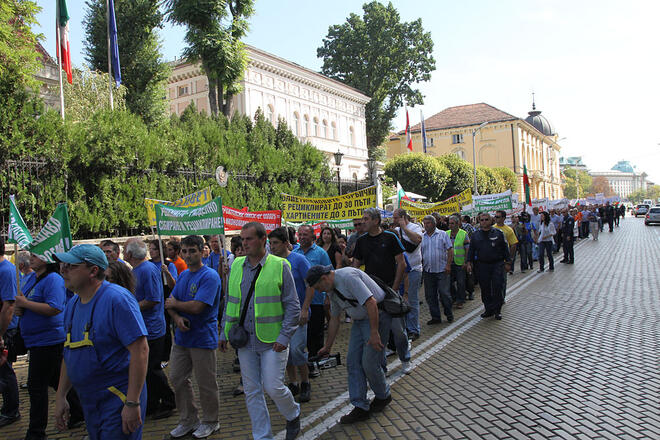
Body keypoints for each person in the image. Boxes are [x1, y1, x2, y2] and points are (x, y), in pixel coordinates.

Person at [53, 244, 149, 440]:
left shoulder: (117, 299)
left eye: (71, 266)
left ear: (93, 271)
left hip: (117, 397)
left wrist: (132, 402)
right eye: (63, 264)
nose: (63, 270)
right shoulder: (72, 304)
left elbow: (141, 350)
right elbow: (70, 353)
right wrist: (61, 396)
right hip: (90, 400)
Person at [219, 222, 301, 440]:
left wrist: (285, 336)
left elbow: (293, 305)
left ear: (263, 239)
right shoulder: (236, 265)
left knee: (273, 387)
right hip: (245, 341)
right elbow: (231, 302)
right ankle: (262, 436)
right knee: (252, 391)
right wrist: (224, 332)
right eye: (242, 239)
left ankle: (293, 413)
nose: (244, 243)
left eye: (249, 239)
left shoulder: (280, 265)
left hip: (273, 340)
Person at [309, 265, 393, 424]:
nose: (319, 291)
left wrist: (375, 332)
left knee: (369, 363)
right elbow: (334, 318)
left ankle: (383, 396)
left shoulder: (347, 277)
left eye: (318, 287)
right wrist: (328, 346)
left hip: (376, 317)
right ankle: (360, 406)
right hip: (360, 321)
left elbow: (371, 303)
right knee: (353, 362)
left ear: (324, 278)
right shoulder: (331, 290)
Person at [14, 254, 84, 439]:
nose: (32, 258)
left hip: (48, 340)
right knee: (56, 379)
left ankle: (36, 432)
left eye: (36, 256)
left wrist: (26, 304)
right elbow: (25, 300)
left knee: (36, 387)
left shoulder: (53, 279)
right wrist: (20, 307)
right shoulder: (31, 277)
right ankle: (78, 411)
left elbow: (55, 307)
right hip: (35, 340)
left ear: (47, 259)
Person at [165, 235, 221, 439]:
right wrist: (177, 318)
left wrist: (175, 307)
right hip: (182, 338)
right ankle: (188, 419)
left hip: (202, 337)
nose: (188, 255)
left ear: (201, 251)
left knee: (206, 382)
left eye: (192, 251)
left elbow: (198, 306)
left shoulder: (210, 276)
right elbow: (170, 302)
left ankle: (211, 421)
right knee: (177, 377)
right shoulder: (183, 276)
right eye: (185, 251)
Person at [123, 239, 175, 420]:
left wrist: (131, 307)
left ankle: (169, 401)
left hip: (152, 328)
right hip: (145, 326)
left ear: (129, 254)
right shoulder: (140, 270)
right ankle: (152, 404)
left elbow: (153, 299)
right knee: (145, 371)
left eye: (124, 250)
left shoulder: (146, 270)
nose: (123, 253)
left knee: (152, 369)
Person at [353, 208, 410, 369]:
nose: (363, 222)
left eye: (366, 219)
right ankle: (381, 367)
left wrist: (395, 287)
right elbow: (355, 266)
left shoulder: (390, 237)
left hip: (391, 291)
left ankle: (405, 358)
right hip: (371, 294)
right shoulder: (361, 241)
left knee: (398, 331)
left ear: (376, 221)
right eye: (362, 219)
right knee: (379, 331)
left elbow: (401, 263)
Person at [268, 227, 314, 403]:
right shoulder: (271, 262)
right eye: (270, 243)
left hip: (297, 314)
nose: (272, 247)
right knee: (284, 350)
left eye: (276, 243)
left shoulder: (299, 260)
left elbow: (310, 284)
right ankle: (292, 382)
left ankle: (305, 382)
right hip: (279, 315)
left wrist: (305, 309)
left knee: (297, 349)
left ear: (286, 243)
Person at [293, 225, 331, 361]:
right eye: (300, 234)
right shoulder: (294, 252)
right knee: (304, 334)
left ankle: (316, 359)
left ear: (312, 236)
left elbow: (329, 275)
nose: (302, 237)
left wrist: (328, 298)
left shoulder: (321, 253)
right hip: (300, 300)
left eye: (305, 235)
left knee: (316, 332)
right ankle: (305, 360)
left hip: (317, 300)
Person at [465, 213, 510, 320]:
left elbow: (505, 249)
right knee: (485, 288)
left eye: (486, 219)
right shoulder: (476, 235)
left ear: (491, 220)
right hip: (482, 265)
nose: (484, 221)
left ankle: (497, 310)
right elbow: (471, 250)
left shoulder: (499, 233)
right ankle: (488, 309)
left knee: (497, 287)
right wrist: (469, 262)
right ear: (479, 221)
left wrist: (508, 262)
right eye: (482, 220)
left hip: (497, 264)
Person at [392, 209, 423, 339]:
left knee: (411, 299)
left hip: (414, 269)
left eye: (396, 218)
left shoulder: (415, 227)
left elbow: (417, 240)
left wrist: (404, 227)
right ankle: (404, 327)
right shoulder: (396, 231)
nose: (393, 220)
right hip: (401, 271)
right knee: (401, 300)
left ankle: (414, 329)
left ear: (403, 217)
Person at [147, 240, 178, 368]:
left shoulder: (169, 265)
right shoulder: (147, 264)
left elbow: (173, 285)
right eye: (150, 248)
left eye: (153, 249)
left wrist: (166, 272)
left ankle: (165, 356)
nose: (150, 251)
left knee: (165, 328)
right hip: (153, 298)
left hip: (164, 298)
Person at [0, 237, 20, 428]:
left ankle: (11, 411)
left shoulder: (6, 271)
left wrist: (1, 334)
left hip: (5, 329)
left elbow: (8, 306)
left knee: (5, 371)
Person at [420, 215, 454, 324]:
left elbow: (450, 250)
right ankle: (435, 317)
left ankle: (449, 313)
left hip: (442, 270)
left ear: (434, 223)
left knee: (444, 293)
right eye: (424, 223)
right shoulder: (422, 237)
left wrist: (448, 265)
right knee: (430, 295)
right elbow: (420, 253)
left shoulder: (442, 235)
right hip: (428, 271)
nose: (426, 225)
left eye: (428, 223)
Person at [493, 210, 518, 299]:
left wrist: (509, 259)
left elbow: (513, 244)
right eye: (495, 217)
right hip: (493, 260)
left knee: (502, 280)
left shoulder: (508, 230)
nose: (496, 218)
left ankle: (501, 297)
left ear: (503, 218)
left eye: (498, 217)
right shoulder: (492, 229)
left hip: (503, 260)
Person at [447, 215, 469, 310]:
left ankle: (460, 301)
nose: (450, 225)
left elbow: (467, 249)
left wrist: (466, 262)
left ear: (457, 224)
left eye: (452, 223)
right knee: (449, 282)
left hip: (460, 263)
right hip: (449, 262)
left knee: (460, 282)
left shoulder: (463, 234)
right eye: (449, 223)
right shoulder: (446, 233)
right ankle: (454, 297)